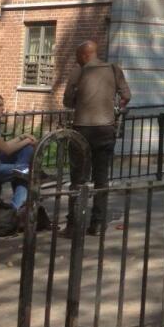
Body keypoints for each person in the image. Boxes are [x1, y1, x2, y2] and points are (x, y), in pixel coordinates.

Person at [61, 40, 130, 237]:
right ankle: (98, 224)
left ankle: (74, 224)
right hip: (105, 129)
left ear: (84, 55)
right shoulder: (114, 69)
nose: (76, 59)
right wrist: (115, 108)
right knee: (102, 179)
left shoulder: (78, 71)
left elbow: (67, 100)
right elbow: (127, 95)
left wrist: (79, 100)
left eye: (77, 55)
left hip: (82, 129)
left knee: (78, 179)